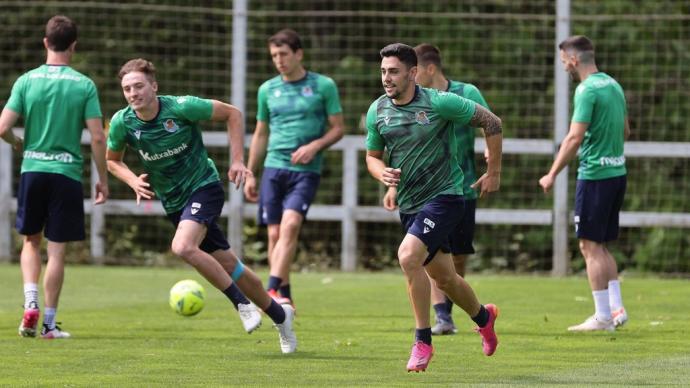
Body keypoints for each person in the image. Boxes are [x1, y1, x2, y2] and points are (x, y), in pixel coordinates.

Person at [106, 59, 296, 353]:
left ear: (154, 86)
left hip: (204, 186)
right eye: (127, 88)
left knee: (182, 246)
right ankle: (281, 316)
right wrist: (132, 180)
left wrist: (237, 160)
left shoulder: (181, 107)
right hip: (174, 202)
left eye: (139, 86)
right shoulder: (123, 122)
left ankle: (242, 305)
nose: (133, 93)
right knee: (231, 265)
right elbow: (112, 160)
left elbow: (232, 114)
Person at [366, 43, 503, 372]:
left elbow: (493, 122)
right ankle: (484, 318)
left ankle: (423, 341)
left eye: (394, 71)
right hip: (410, 203)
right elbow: (372, 156)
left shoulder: (440, 102)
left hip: (447, 196)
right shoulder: (377, 111)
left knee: (407, 256)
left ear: (413, 73)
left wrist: (494, 172)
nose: (387, 78)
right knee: (446, 279)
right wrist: (381, 174)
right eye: (384, 71)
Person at [0, 15, 109, 339]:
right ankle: (48, 323)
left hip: (33, 170)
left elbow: (3, 127)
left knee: (31, 241)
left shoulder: (27, 81)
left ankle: (30, 301)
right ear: (73, 46)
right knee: (57, 250)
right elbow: (98, 137)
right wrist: (102, 178)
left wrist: (19, 143)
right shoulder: (84, 85)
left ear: (46, 43)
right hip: (66, 173)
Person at [244, 29, 344, 307]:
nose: (279, 60)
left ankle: (271, 289)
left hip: (305, 171)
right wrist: (251, 171)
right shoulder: (267, 89)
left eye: (284, 54)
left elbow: (338, 129)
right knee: (274, 234)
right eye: (274, 55)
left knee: (290, 225)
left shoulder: (324, 86)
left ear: (299, 54)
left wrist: (315, 146)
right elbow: (261, 132)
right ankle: (284, 297)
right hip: (273, 168)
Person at [539, 36, 629, 332]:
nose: (563, 64)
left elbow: (575, 137)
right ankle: (616, 309)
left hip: (595, 177)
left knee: (589, 246)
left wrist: (552, 173)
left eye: (564, 59)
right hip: (617, 172)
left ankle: (603, 317)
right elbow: (626, 130)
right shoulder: (613, 85)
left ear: (574, 60)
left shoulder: (586, 90)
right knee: (600, 246)